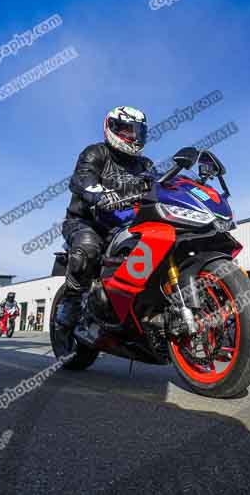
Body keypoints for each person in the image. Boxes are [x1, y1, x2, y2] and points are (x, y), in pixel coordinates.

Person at [52, 106, 155, 350]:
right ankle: (71, 306)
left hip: (126, 224)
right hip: (87, 222)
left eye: (137, 131)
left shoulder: (145, 164)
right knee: (87, 248)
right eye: (127, 130)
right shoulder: (95, 153)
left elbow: (159, 185)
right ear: (112, 128)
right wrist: (97, 195)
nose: (133, 136)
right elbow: (82, 178)